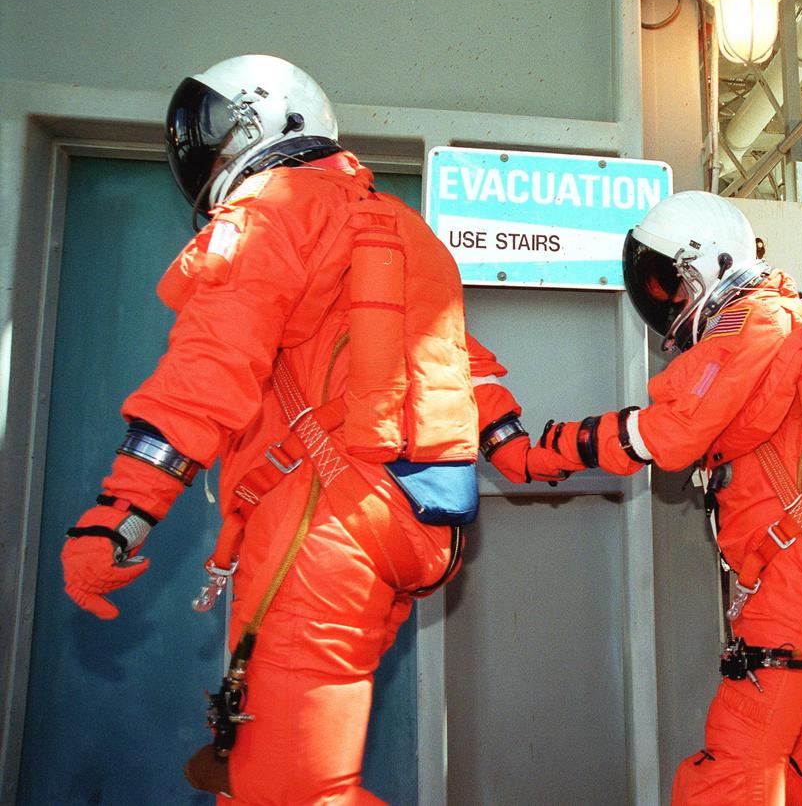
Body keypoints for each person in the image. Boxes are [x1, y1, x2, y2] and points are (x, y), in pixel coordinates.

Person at [58, 54, 570, 804]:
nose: (203, 151)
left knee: (286, 790)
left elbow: (209, 367)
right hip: (419, 528)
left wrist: (122, 512)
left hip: (324, 528)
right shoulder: (403, 227)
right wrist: (517, 450)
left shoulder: (272, 208)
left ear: (264, 121)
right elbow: (464, 365)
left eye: (212, 129)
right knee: (294, 775)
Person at [535, 190, 802, 804]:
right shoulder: (799, 318)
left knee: (730, 774)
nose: (668, 302)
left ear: (707, 266)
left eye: (669, 283)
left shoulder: (753, 323)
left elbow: (670, 435)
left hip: (796, 585)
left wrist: (547, 450)